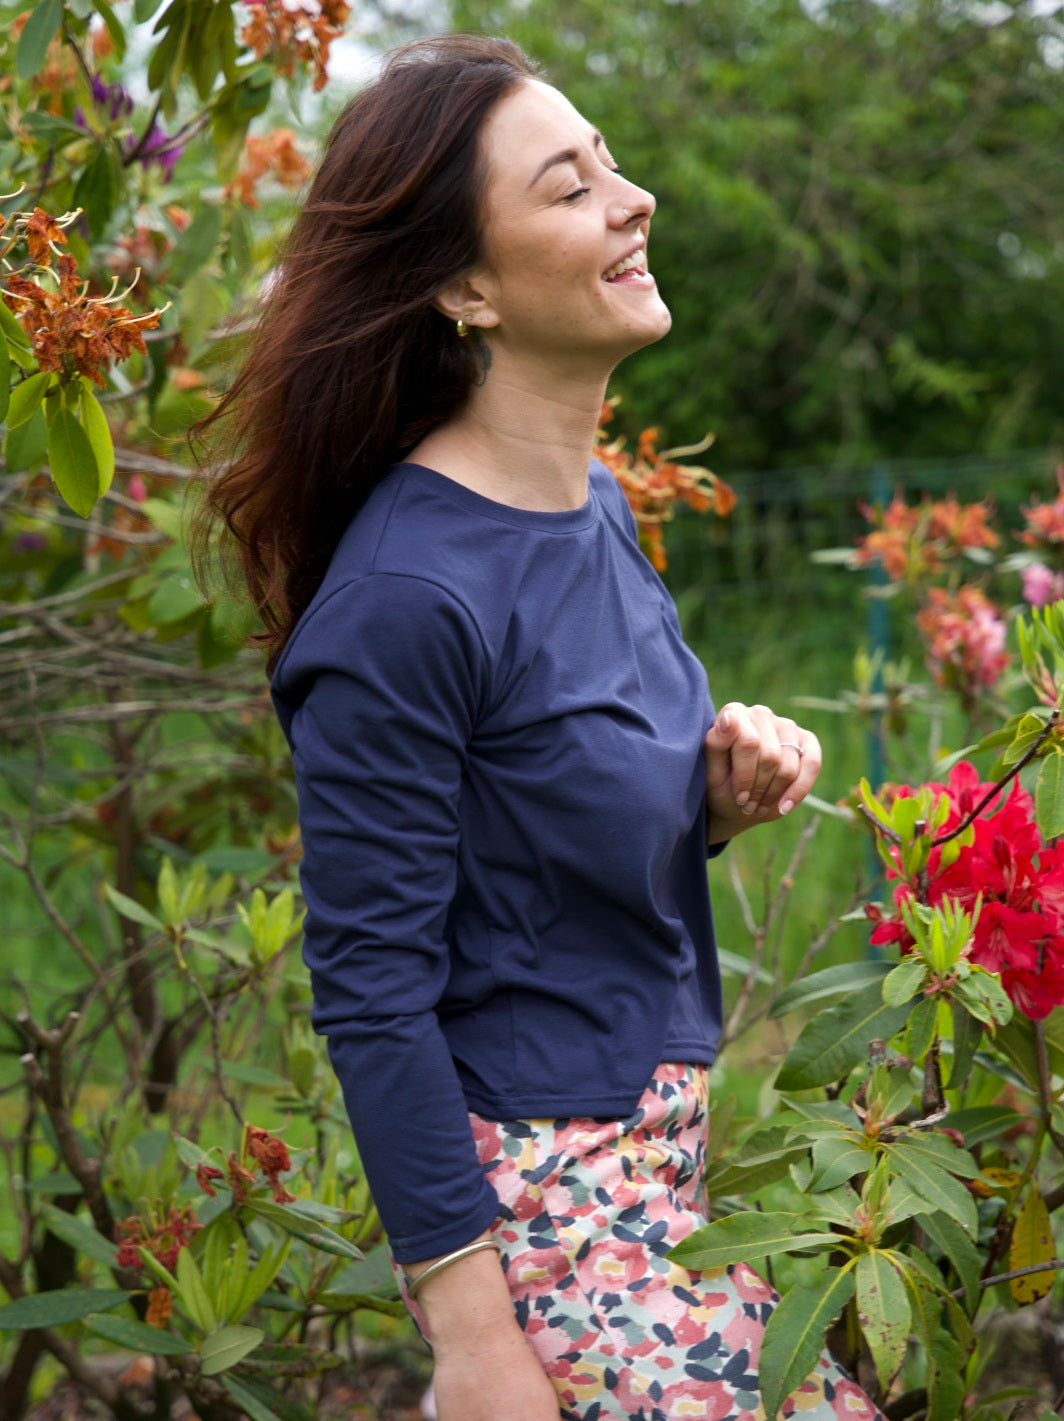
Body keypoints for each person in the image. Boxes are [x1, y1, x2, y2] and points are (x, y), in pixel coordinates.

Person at [197, 34, 884, 1421]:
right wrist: (473, 1342)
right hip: (540, 1217)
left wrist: (721, 793)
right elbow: (372, 989)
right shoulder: (405, 597)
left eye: (613, 166)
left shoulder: (598, 514)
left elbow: (542, 819)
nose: (632, 200)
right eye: (571, 187)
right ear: (464, 285)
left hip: (665, 1172)